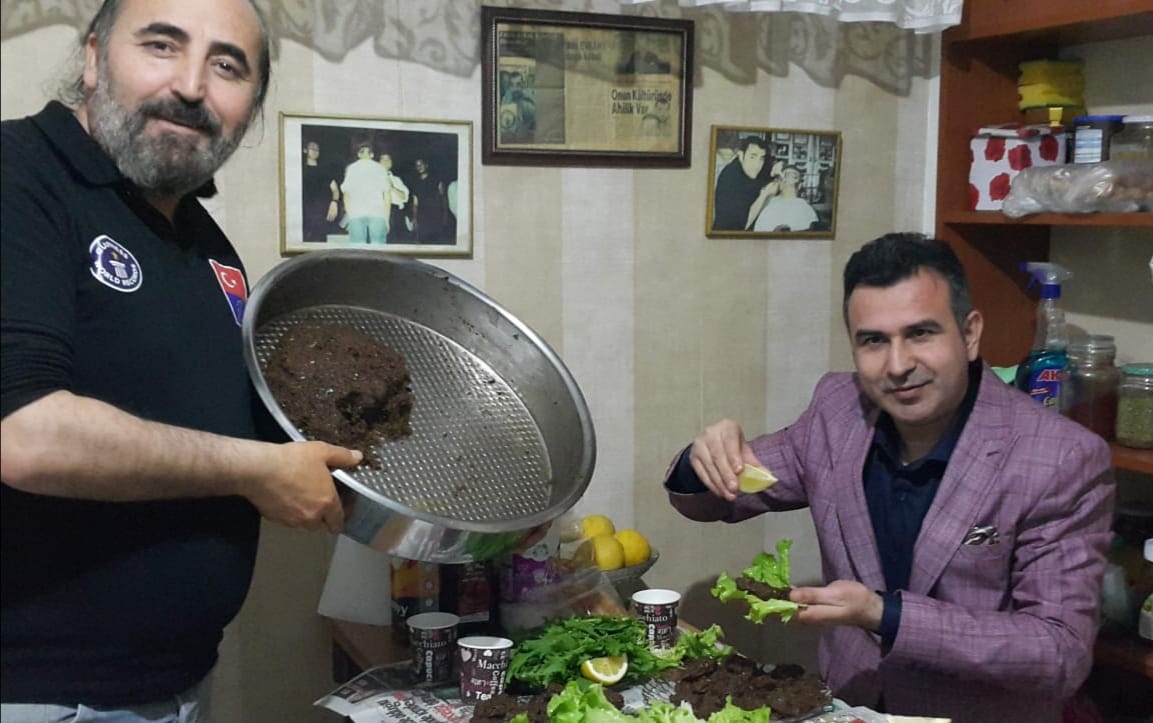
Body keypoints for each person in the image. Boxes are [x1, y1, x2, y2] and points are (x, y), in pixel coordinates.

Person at [0, 0, 364, 720]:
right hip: (36, 696)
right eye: (162, 45)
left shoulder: (206, 249)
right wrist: (258, 470)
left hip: (167, 689)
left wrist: (444, 519)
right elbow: (24, 433)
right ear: (94, 58)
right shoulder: (20, 176)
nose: (193, 85)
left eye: (227, 65)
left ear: (250, 108)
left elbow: (232, 432)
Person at [664, 233, 1114, 723]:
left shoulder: (1061, 457)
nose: (898, 366)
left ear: (969, 334)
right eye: (874, 340)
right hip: (848, 706)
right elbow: (719, 500)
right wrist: (702, 457)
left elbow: (1058, 652)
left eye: (921, 333)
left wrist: (884, 615)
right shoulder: (837, 410)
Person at [340, 142, 408, 244]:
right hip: (377, 214)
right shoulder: (380, 169)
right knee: (378, 251)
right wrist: (386, 218)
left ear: (359, 154)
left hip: (359, 214)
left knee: (358, 250)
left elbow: (346, 195)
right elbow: (387, 196)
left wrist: (351, 216)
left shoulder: (351, 168)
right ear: (372, 155)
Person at [712, 136, 774, 231]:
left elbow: (761, 177)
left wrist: (773, 173)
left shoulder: (746, 169)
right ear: (741, 155)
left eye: (761, 158)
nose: (757, 164)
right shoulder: (731, 178)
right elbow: (742, 226)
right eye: (752, 157)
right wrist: (764, 194)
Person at [752, 164, 818, 232]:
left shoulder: (805, 209)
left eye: (794, 176)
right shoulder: (769, 202)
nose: (789, 178)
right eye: (786, 175)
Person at [301, 139, 341, 243]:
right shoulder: (299, 170)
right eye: (312, 148)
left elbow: (335, 190)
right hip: (304, 216)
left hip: (323, 216)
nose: (315, 150)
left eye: (317, 149)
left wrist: (334, 203)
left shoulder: (325, 170)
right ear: (305, 150)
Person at [409, 157, 447, 244]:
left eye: (421, 164)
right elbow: (415, 203)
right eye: (417, 165)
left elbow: (443, 199)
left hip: (436, 216)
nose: (419, 167)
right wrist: (414, 219)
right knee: (422, 242)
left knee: (436, 242)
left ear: (426, 165)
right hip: (422, 218)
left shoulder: (437, 180)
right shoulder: (415, 183)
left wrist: (445, 216)